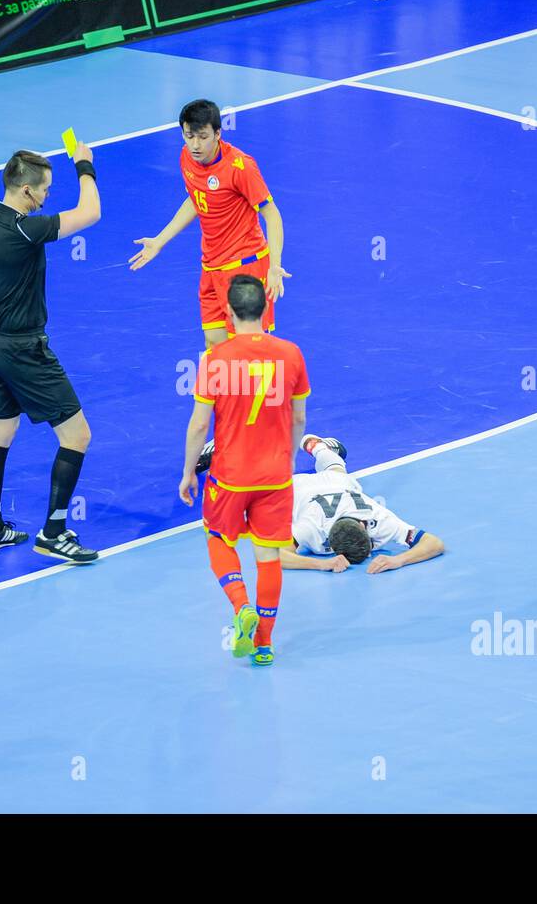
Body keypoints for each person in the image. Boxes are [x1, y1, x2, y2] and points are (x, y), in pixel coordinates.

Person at [0, 145, 101, 562]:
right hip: (25, 350)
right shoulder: (26, 229)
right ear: (25, 191)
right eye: (45, 190)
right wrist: (84, 164)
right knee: (78, 435)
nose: (48, 197)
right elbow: (90, 212)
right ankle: (54, 532)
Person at [180, 275, 310, 667]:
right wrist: (287, 461)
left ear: (229, 314)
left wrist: (188, 473)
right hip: (276, 476)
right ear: (266, 310)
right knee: (269, 555)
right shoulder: (291, 354)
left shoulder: (215, 360)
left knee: (219, 539)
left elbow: (200, 425)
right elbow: (299, 417)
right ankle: (265, 644)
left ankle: (240, 607)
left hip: (230, 476)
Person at [130, 99, 288, 348]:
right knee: (214, 345)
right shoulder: (186, 158)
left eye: (202, 137)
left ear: (217, 134)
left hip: (245, 266)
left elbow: (272, 214)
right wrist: (160, 240)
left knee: (249, 348)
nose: (195, 144)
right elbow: (197, 198)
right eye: (189, 135)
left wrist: (275, 265)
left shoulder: (240, 166)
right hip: (211, 266)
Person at [197, 434, 446, 573]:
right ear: (364, 528)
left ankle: (318, 446)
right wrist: (321, 564)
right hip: (292, 488)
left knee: (338, 471)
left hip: (336, 483)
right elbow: (275, 556)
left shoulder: (378, 520)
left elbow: (435, 543)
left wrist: (398, 559)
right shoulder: (312, 529)